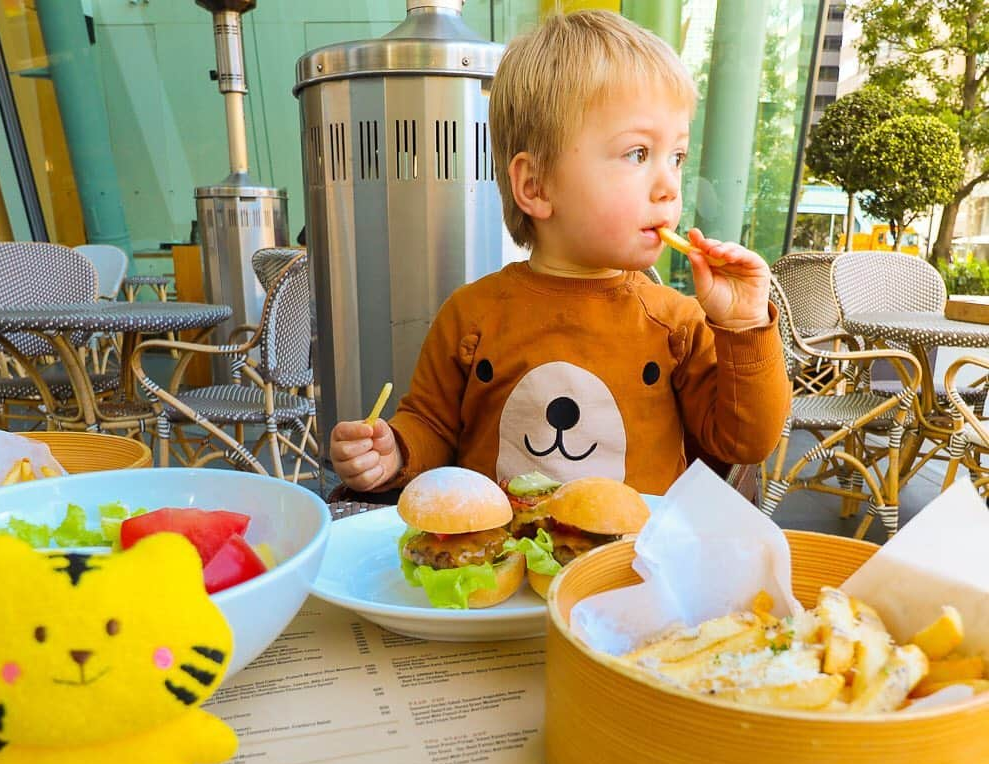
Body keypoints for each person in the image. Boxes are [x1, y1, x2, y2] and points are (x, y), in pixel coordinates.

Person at [330, 9, 789, 496]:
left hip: (629, 565)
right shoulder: (472, 315)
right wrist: (395, 450)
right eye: (637, 153)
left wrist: (743, 327)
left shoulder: (676, 323)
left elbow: (746, 441)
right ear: (536, 185)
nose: (668, 187)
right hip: (499, 561)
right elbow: (435, 427)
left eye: (675, 156)